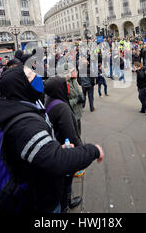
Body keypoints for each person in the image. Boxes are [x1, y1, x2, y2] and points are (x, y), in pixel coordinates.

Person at [0, 64, 104, 213]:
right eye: (30, 75)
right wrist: (93, 150)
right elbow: (57, 160)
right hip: (41, 200)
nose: (36, 76)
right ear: (20, 85)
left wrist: (50, 147)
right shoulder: (25, 124)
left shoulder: (26, 106)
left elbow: (40, 151)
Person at [44, 76, 84, 213]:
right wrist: (82, 152)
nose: (67, 87)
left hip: (55, 147)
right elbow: (71, 135)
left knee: (62, 182)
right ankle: (65, 206)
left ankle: (65, 203)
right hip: (65, 149)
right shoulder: (62, 108)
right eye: (64, 84)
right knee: (66, 181)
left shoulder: (49, 100)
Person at [65, 64, 85, 137]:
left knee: (79, 133)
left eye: (74, 70)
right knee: (74, 135)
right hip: (71, 115)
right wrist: (76, 100)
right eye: (72, 71)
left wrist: (82, 97)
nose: (74, 72)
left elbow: (79, 92)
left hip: (78, 112)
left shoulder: (74, 80)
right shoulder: (64, 84)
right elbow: (65, 103)